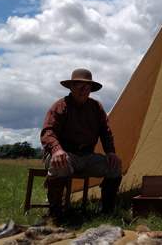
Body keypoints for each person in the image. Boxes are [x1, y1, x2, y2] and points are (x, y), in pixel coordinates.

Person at [40, 68, 122, 223]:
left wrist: (110, 152)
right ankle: (55, 214)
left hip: (87, 156)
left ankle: (107, 213)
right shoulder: (60, 106)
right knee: (59, 163)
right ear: (71, 87)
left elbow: (106, 132)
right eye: (79, 86)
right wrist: (57, 150)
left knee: (114, 167)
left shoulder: (96, 107)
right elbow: (48, 131)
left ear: (91, 90)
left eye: (87, 87)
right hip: (66, 154)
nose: (83, 90)